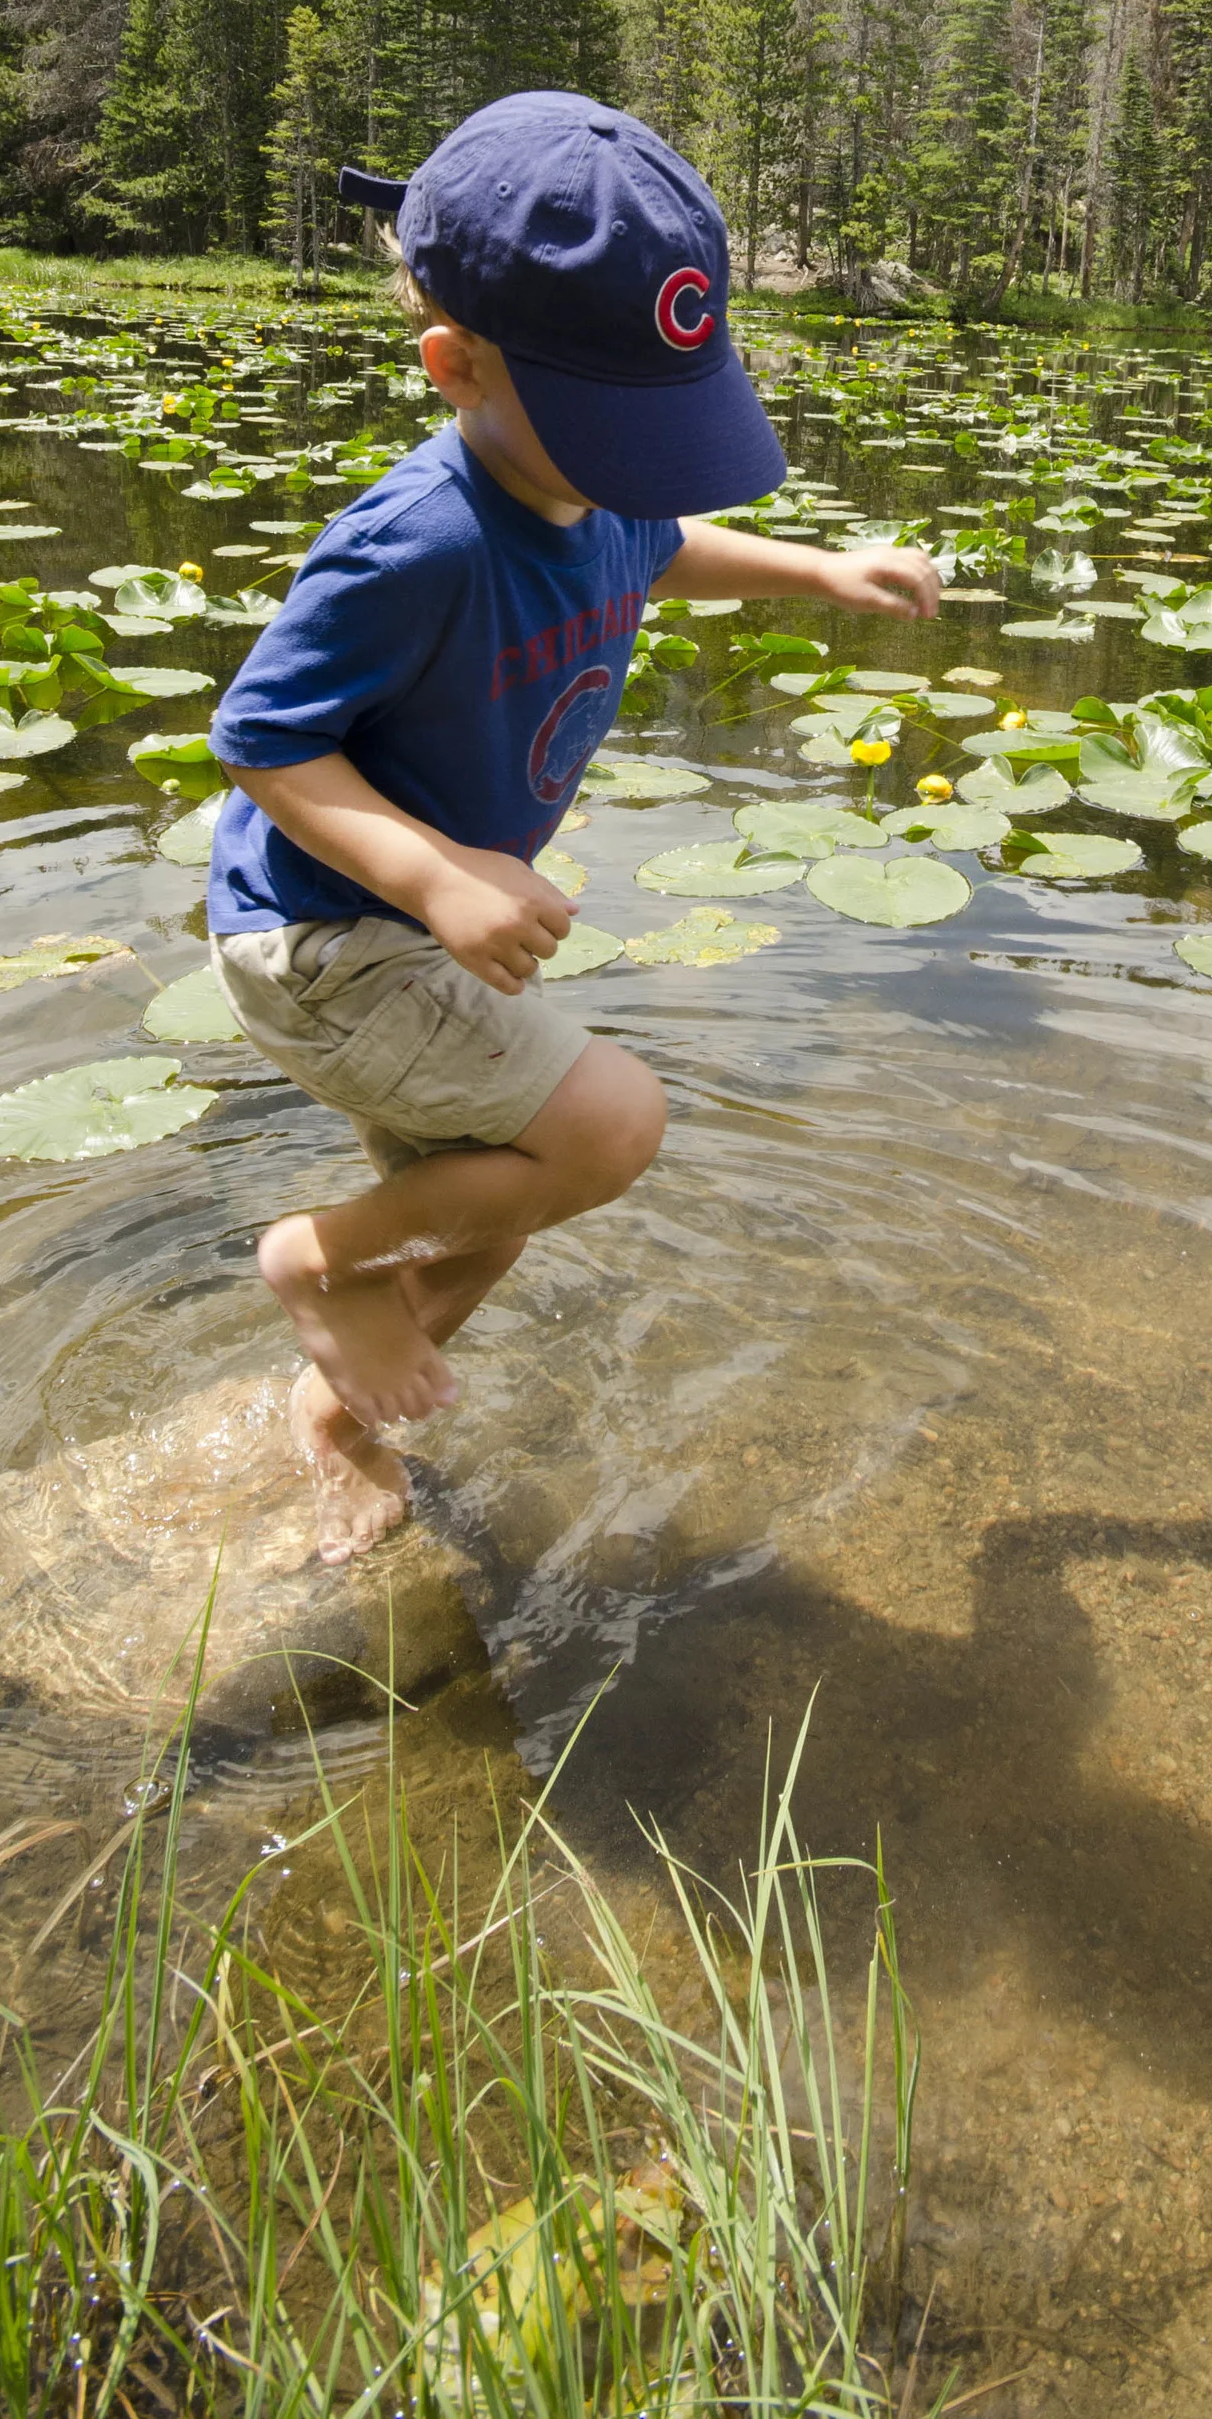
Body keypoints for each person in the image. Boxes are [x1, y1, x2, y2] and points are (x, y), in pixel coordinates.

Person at [207, 89, 940, 1562]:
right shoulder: (415, 537)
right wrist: (440, 870)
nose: (647, 465)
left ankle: (336, 1407)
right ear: (454, 368)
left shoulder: (593, 482)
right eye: (625, 430)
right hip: (327, 934)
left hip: (410, 936)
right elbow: (260, 738)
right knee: (611, 1124)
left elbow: (663, 549)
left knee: (493, 1205)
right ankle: (312, 1258)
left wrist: (824, 571)